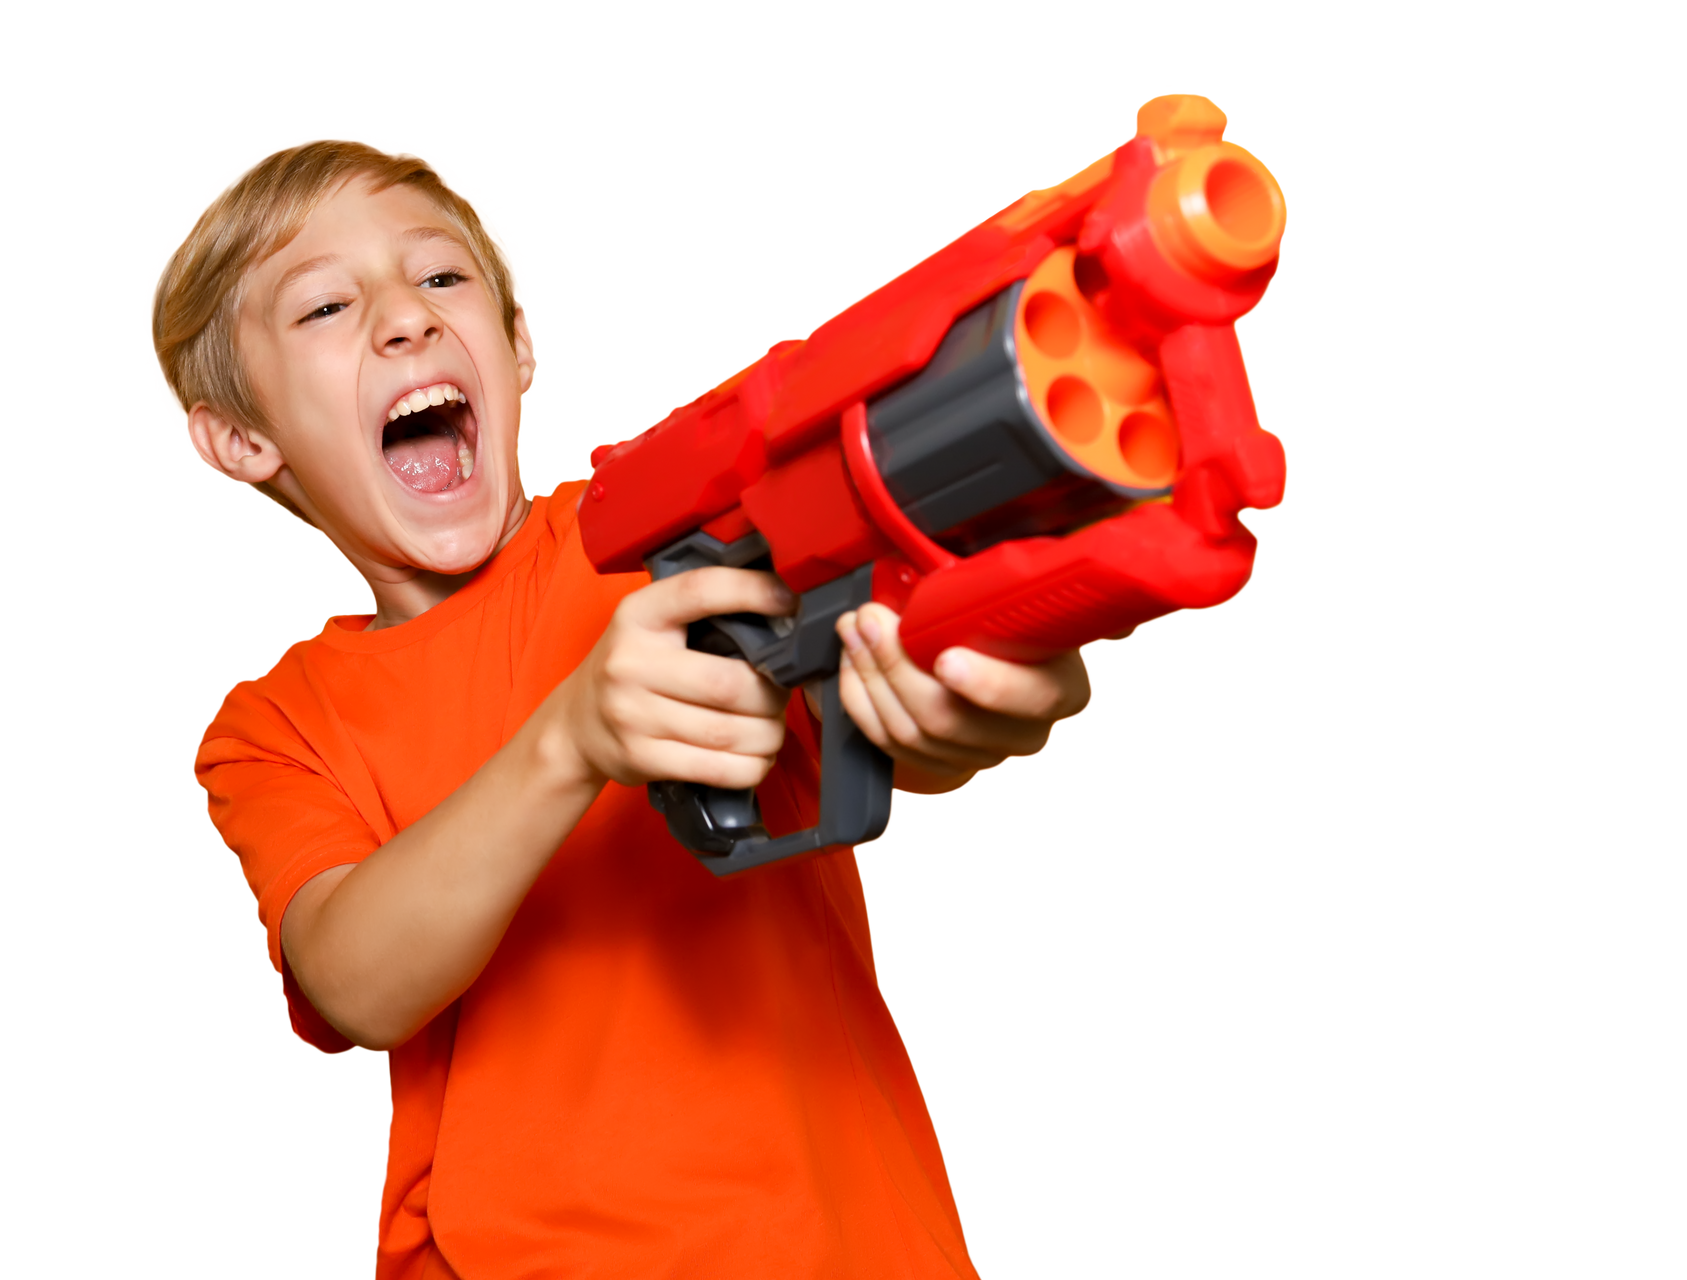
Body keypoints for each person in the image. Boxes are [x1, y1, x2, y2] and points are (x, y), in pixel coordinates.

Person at [149, 135, 1092, 1276]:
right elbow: (355, 982)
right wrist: (570, 739)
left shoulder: (661, 535)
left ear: (519, 347)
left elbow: (891, 694)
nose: (407, 318)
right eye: (327, 306)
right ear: (240, 438)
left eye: (441, 276)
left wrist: (972, 674)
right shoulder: (275, 727)